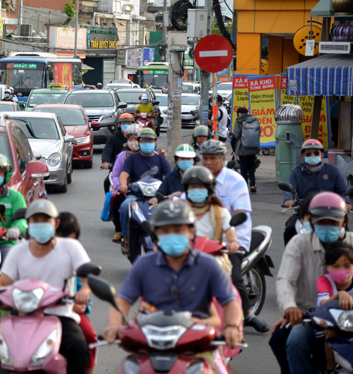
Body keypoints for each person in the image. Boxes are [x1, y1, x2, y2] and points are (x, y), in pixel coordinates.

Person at [102, 200, 243, 357]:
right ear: (157, 234)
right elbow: (123, 301)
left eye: (178, 230)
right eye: (166, 231)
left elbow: (230, 302)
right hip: (150, 344)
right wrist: (114, 325)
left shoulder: (208, 265)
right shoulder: (144, 264)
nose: (172, 235)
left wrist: (231, 326)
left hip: (197, 347)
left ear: (191, 232)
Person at [0, 200, 93, 374]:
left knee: (78, 347)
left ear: (56, 223)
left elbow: (86, 277)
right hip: (22, 315)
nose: (40, 224)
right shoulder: (18, 251)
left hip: (60, 315)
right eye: (35, 220)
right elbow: (3, 282)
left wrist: (84, 290)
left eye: (45, 220)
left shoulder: (71, 247)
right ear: (28, 224)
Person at [272, 193, 353, 374]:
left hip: (349, 317)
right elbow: (286, 280)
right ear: (313, 221)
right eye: (322, 222)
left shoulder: (351, 241)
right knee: (294, 343)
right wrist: (289, 308)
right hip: (309, 318)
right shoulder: (299, 243)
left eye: (333, 222)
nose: (327, 226)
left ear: (344, 221)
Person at [199, 139, 269, 333]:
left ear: (223, 158)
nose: (208, 162)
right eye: (205, 158)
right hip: (203, 237)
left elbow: (240, 212)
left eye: (213, 158)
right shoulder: (197, 177)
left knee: (232, 273)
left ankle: (247, 314)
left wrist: (230, 237)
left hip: (233, 237)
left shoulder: (235, 180)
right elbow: (182, 200)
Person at [118, 127, 172, 253]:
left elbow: (169, 177)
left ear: (155, 142)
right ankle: (126, 237)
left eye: (150, 140)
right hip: (137, 195)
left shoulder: (161, 159)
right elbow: (124, 174)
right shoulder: (132, 158)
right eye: (144, 141)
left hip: (157, 196)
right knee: (125, 206)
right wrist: (123, 184)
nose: (147, 143)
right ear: (139, 142)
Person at [56, 212, 97, 374]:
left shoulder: (76, 257)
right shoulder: (32, 251)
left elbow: (86, 285)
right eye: (61, 238)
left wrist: (81, 301)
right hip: (36, 310)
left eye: (71, 240)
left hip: (68, 311)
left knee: (89, 337)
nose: (66, 244)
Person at [182, 166, 240, 256]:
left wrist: (233, 242)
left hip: (214, 257)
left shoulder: (221, 212)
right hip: (184, 257)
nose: (196, 190)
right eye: (193, 187)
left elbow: (229, 231)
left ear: (209, 190)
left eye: (200, 187)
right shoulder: (179, 212)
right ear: (186, 190)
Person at [283, 139, 351, 210]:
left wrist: (346, 202)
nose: (312, 155)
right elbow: (290, 189)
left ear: (322, 154)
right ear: (303, 155)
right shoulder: (296, 171)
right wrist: (288, 199)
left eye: (316, 153)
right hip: (304, 211)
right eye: (308, 153)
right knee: (291, 221)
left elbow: (343, 191)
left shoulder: (333, 170)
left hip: (329, 211)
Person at [317, 242, 353, 373]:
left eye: (347, 266)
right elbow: (323, 304)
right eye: (336, 266)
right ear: (328, 266)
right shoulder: (324, 281)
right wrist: (339, 295)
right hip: (332, 322)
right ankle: (330, 368)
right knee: (330, 333)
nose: (342, 271)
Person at [109, 124, 142, 242]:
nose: (133, 142)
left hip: (147, 190)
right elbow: (116, 174)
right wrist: (121, 186)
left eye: (136, 138)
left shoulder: (153, 155)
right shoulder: (123, 156)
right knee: (118, 201)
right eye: (130, 139)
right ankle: (120, 230)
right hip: (128, 189)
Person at [232, 106, 260, 193]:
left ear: (238, 114)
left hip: (243, 147)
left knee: (243, 168)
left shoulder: (239, 120)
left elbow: (236, 134)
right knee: (251, 167)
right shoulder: (254, 119)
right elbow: (259, 132)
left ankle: (244, 186)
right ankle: (252, 185)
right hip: (253, 147)